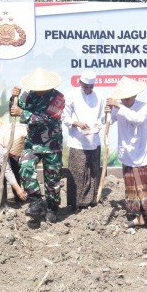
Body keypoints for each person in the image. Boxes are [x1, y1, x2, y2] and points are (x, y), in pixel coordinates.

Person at [10, 67, 66, 224]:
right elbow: (15, 111)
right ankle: (36, 201)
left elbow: (48, 118)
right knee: (25, 166)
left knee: (52, 179)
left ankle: (52, 208)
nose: (39, 91)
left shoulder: (58, 97)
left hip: (52, 145)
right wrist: (13, 98)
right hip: (33, 142)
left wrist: (23, 113)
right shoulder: (27, 94)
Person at [107, 76, 147, 227]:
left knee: (142, 188)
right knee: (131, 188)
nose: (126, 100)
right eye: (123, 98)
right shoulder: (118, 108)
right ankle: (138, 217)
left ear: (135, 95)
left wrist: (119, 106)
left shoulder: (144, 107)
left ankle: (145, 216)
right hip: (127, 155)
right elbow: (108, 121)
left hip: (142, 155)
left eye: (128, 97)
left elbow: (137, 119)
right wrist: (107, 112)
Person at [63, 70, 105, 211]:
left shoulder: (100, 96)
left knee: (92, 171)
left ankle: (91, 201)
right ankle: (76, 203)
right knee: (78, 171)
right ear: (80, 83)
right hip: (77, 139)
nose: (88, 89)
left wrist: (98, 125)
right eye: (85, 86)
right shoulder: (71, 95)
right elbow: (65, 117)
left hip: (93, 139)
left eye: (91, 87)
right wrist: (77, 123)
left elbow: (102, 117)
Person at [0, 120, 28, 204]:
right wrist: (18, 189)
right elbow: (6, 169)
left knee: (15, 168)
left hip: (6, 143)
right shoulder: (0, 145)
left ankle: (18, 198)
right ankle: (3, 202)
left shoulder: (22, 129)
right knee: (1, 173)